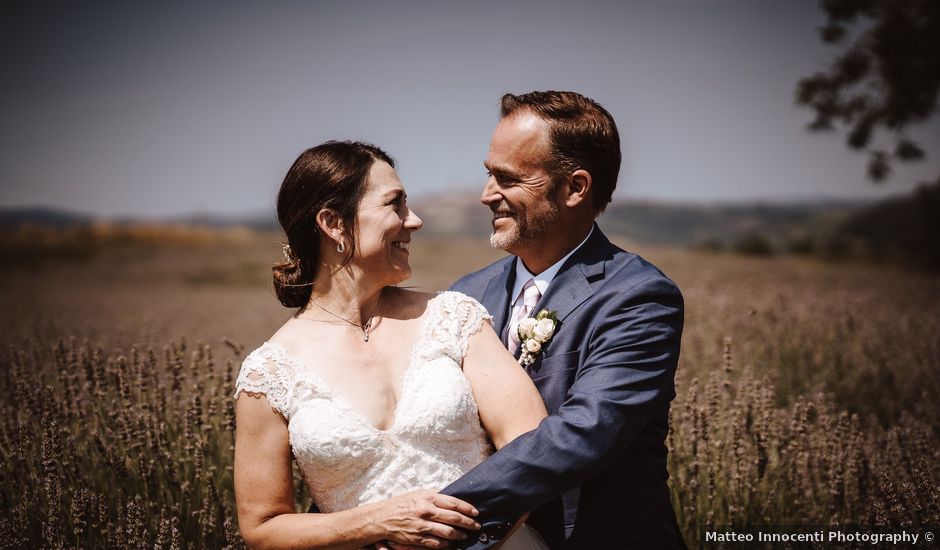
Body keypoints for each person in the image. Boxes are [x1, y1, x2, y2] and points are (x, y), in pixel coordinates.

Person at [233, 141, 550, 549]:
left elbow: (531, 449)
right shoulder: (270, 372)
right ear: (333, 223)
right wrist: (374, 523)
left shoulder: (452, 318)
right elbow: (262, 527)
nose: (414, 220)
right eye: (394, 204)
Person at [440, 91, 687, 549]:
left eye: (508, 179)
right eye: (488, 174)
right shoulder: (463, 295)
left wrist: (434, 513)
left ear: (575, 188)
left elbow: (583, 434)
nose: (486, 195)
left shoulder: (638, 297)